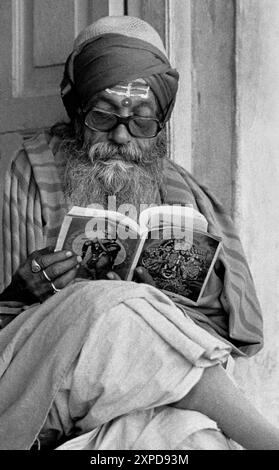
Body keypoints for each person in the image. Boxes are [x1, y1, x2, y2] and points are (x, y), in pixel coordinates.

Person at [0, 15, 278, 451]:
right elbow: (10, 338)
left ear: (161, 123)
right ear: (78, 114)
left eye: (141, 122)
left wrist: (168, 302)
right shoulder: (30, 171)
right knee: (106, 299)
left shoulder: (183, 191)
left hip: (143, 389)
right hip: (48, 377)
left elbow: (230, 335)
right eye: (103, 117)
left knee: (196, 440)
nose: (122, 135)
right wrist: (20, 286)